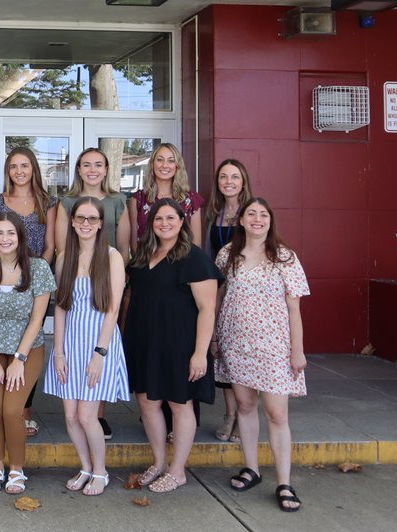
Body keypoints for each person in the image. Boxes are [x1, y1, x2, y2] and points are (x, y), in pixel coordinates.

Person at [214, 198, 309, 513]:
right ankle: (252, 468)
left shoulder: (284, 257)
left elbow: (294, 309)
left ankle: (284, 481)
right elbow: (218, 297)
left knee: (277, 414)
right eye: (251, 214)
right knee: (244, 406)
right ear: (240, 220)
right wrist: (214, 337)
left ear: (271, 221)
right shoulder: (227, 255)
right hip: (236, 343)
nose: (257, 219)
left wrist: (297, 350)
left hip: (274, 347)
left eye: (263, 214)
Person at [124, 197, 221, 493]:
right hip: (144, 341)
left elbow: (207, 309)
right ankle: (159, 462)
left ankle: (178, 471)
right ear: (151, 224)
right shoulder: (143, 255)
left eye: (171, 218)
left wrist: (200, 354)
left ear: (182, 222)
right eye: (158, 219)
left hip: (179, 343)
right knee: (147, 402)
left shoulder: (194, 258)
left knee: (179, 403)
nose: (164, 223)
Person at [0, 211, 55, 495]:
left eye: (10, 233)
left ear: (20, 237)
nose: (5, 239)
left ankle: (16, 468)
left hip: (26, 348)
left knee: (13, 409)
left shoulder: (38, 268)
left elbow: (37, 319)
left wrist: (18, 359)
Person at [46, 197, 128, 496]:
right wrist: (58, 351)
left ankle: (101, 472)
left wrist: (99, 353)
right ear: (72, 221)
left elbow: (113, 309)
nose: (86, 223)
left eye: (92, 219)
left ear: (100, 223)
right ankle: (84, 467)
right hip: (71, 342)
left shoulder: (112, 257)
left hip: (98, 343)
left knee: (87, 415)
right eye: (81, 217)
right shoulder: (64, 257)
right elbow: (61, 308)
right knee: (69, 415)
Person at [52, 147, 132, 440]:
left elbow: (124, 247)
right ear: (79, 169)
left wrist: (110, 278)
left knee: (99, 354)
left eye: (98, 164)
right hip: (77, 280)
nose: (93, 170)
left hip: (105, 281)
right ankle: (89, 417)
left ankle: (97, 415)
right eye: (86, 165)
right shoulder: (67, 202)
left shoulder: (117, 201)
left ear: (107, 168)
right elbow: (63, 247)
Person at [0, 146, 57, 437]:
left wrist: (35, 276)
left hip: (35, 283)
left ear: (33, 169)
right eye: (13, 166)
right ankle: (3, 403)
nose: (19, 171)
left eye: (24, 166)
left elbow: (51, 246)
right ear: (8, 171)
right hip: (3, 282)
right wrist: (9, 278)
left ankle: (24, 411)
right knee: (3, 341)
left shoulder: (47, 202)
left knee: (30, 342)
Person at [204, 158, 254, 443]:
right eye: (224, 177)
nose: (229, 182)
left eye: (234, 177)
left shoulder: (252, 211)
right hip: (220, 286)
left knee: (242, 352)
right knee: (224, 353)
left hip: (244, 288)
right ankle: (230, 413)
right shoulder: (215, 213)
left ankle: (244, 413)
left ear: (243, 181)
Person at [128, 142, 205, 243]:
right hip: (147, 258)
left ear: (177, 166)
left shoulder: (191, 200)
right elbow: (134, 243)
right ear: (152, 164)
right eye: (160, 160)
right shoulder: (138, 199)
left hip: (183, 258)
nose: (165, 165)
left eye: (171, 161)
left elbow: (196, 244)